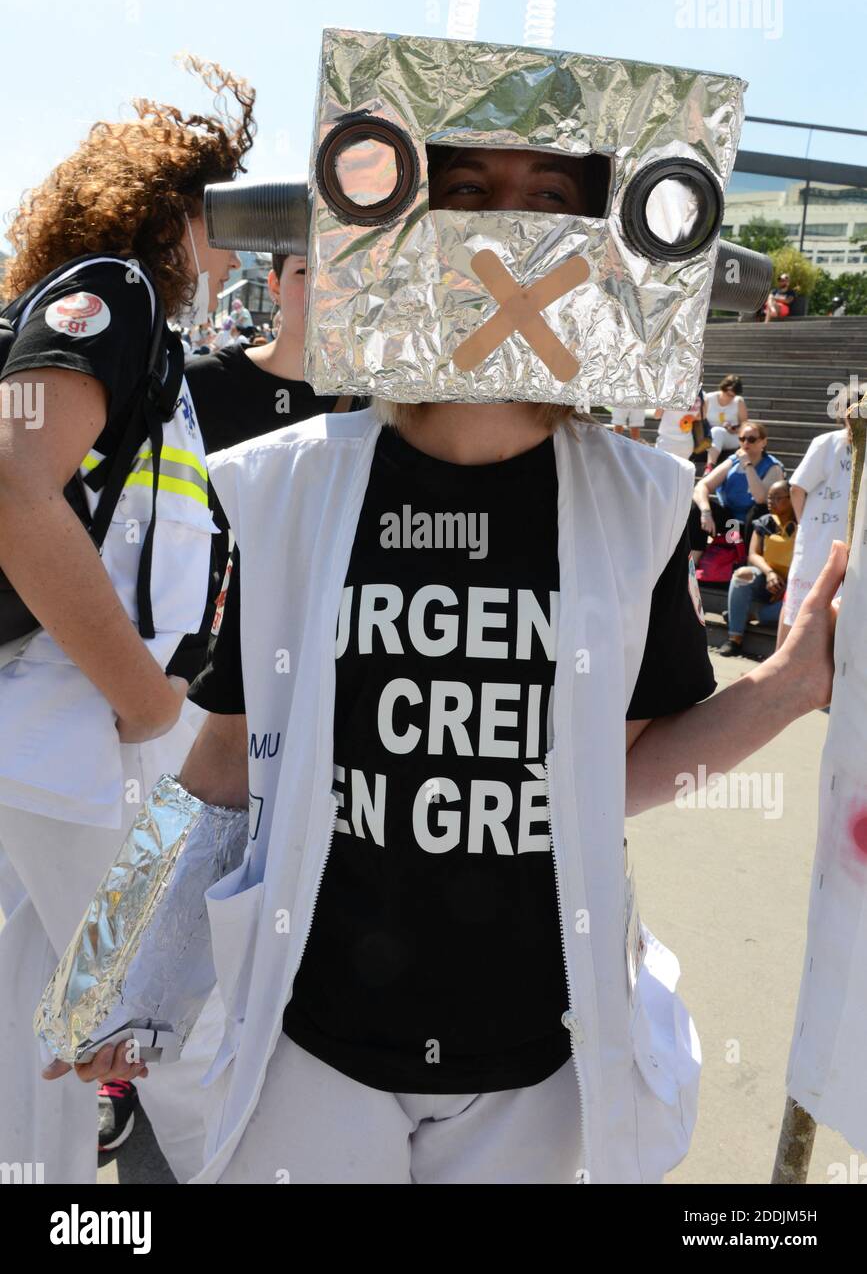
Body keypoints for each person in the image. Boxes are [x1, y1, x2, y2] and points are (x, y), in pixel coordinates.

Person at [57, 137, 845, 1187]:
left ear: (602, 245)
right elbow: (223, 759)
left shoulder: (635, 504)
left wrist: (789, 683)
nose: (502, 230)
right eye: (466, 190)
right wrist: (108, 964)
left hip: (538, 1053)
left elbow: (614, 773)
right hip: (315, 1037)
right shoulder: (294, 486)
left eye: (551, 198)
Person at [0, 54, 255, 1182]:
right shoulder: (115, 291)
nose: (242, 245)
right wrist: (154, 705)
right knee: (171, 1021)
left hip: (63, 734)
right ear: (178, 214)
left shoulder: (122, 321)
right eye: (231, 212)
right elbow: (14, 483)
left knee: (39, 1020)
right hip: (85, 732)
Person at [169, 249, 355, 686]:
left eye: (337, 273)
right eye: (305, 271)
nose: (319, 289)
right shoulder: (202, 384)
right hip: (205, 651)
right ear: (273, 284)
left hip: (323, 649)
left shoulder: (376, 402)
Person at [777, 402, 854, 650]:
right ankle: (778, 663)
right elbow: (798, 488)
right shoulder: (828, 443)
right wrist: (805, 525)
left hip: (851, 545)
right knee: (798, 604)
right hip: (819, 541)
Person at [718, 479, 796, 656]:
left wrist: (787, 585)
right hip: (767, 579)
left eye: (777, 498)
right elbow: (753, 554)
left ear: (792, 499)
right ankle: (734, 639)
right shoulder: (765, 522)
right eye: (769, 498)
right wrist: (769, 574)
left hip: (792, 585)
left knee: (795, 608)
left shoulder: (803, 524)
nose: (770, 502)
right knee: (742, 575)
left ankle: (752, 614)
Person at [689, 422, 785, 565]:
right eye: (742, 439)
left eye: (751, 439)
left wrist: (748, 465)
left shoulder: (773, 467)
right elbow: (701, 486)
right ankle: (693, 560)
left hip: (754, 528)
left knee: (758, 510)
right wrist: (706, 512)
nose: (746, 443)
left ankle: (747, 560)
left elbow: (760, 498)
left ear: (763, 442)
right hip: (731, 526)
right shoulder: (733, 461)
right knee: (697, 505)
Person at [703, 374, 748, 466]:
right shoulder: (708, 398)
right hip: (709, 435)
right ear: (722, 388)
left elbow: (745, 426)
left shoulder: (738, 401)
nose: (729, 398)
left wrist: (734, 429)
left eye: (733, 396)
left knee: (717, 431)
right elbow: (701, 420)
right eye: (728, 394)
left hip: (731, 436)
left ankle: (710, 466)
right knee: (715, 431)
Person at [654, 392, 702, 460]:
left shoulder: (668, 395)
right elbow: (700, 416)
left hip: (666, 441)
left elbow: (657, 415)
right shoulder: (698, 398)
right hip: (687, 442)